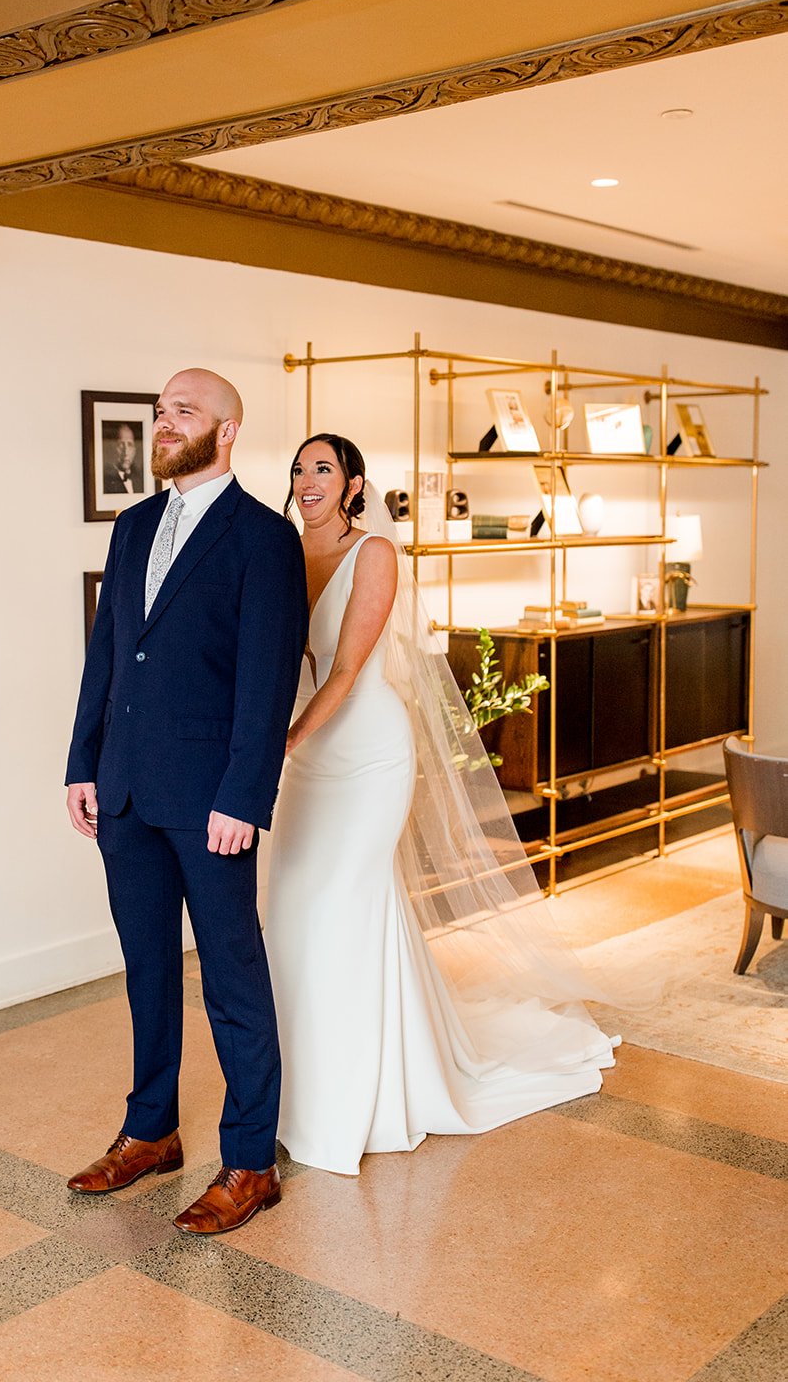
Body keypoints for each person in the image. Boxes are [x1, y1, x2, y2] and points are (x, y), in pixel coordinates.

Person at [265, 432, 619, 1176]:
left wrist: (281, 743)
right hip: (305, 759)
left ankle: (366, 1096)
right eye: (298, 469)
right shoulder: (276, 552)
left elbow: (347, 671)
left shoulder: (374, 556)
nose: (306, 481)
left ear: (354, 486)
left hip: (362, 754)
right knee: (291, 909)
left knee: (346, 904)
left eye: (322, 470)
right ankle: (303, 1085)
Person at [65, 370, 307, 1232]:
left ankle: (247, 1161)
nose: (164, 425)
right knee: (146, 970)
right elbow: (107, 655)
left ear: (228, 431)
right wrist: (81, 764)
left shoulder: (263, 540)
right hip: (125, 790)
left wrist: (243, 796)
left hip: (211, 803)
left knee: (232, 979)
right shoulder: (132, 528)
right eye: (160, 412)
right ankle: (151, 1131)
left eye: (184, 413)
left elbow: (266, 681)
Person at [103, 422, 143, 495]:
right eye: (121, 444)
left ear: (134, 450)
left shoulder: (141, 479)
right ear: (113, 447)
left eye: (130, 444)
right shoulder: (105, 481)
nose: (126, 452)